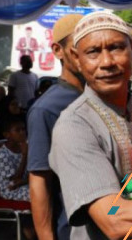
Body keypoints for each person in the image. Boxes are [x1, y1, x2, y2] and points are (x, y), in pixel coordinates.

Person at [49, 12, 132, 239]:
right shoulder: (74, 126)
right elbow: (115, 220)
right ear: (76, 58)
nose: (107, 62)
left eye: (116, 47)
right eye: (93, 52)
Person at [27, 14, 83, 240]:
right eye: (79, 46)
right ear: (58, 50)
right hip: (70, 229)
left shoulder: (107, 98)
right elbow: (39, 178)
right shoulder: (47, 109)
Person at [0, 117, 30, 201]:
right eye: (17, 130)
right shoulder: (2, 154)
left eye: (23, 129)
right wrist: (25, 155)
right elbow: (15, 180)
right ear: (7, 135)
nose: (22, 132)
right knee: (38, 193)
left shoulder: (27, 145)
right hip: (11, 190)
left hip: (26, 183)